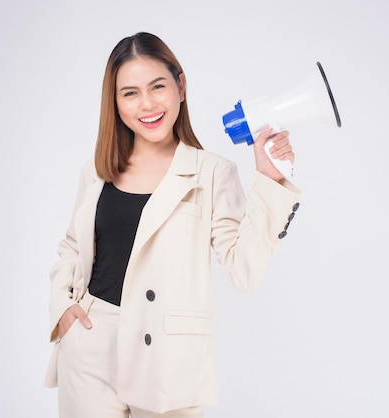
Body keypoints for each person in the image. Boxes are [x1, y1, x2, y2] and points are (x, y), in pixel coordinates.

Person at [44, 32, 301, 418]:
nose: (146, 104)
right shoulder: (96, 172)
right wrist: (63, 308)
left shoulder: (212, 172)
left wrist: (270, 181)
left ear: (180, 86)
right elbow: (72, 247)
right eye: (129, 93)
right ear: (114, 102)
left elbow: (244, 269)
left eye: (157, 86)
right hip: (91, 347)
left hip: (167, 358)